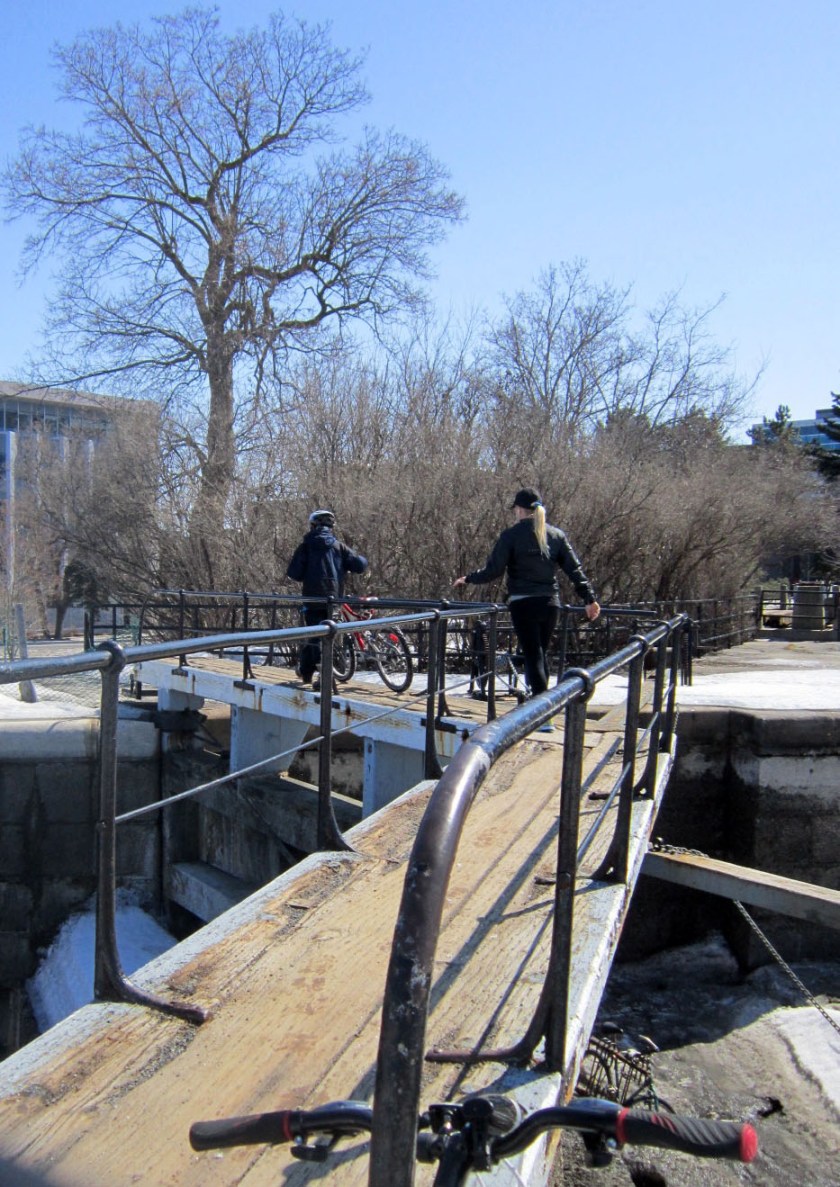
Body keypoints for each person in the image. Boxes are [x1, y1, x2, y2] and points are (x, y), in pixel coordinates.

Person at [453, 488, 600, 702]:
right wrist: (589, 599)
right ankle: (542, 703)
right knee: (539, 653)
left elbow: (493, 570)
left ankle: (542, 709)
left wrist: (468, 578)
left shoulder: (511, 536)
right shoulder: (556, 535)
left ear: (520, 510)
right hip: (550, 603)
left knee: (533, 655)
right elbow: (574, 570)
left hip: (523, 604)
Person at [286, 509, 369, 685]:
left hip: (312, 599)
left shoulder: (306, 546)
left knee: (315, 636)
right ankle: (309, 671)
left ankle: (317, 674)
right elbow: (360, 565)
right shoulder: (338, 546)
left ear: (313, 526)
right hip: (334, 599)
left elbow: (294, 573)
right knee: (328, 636)